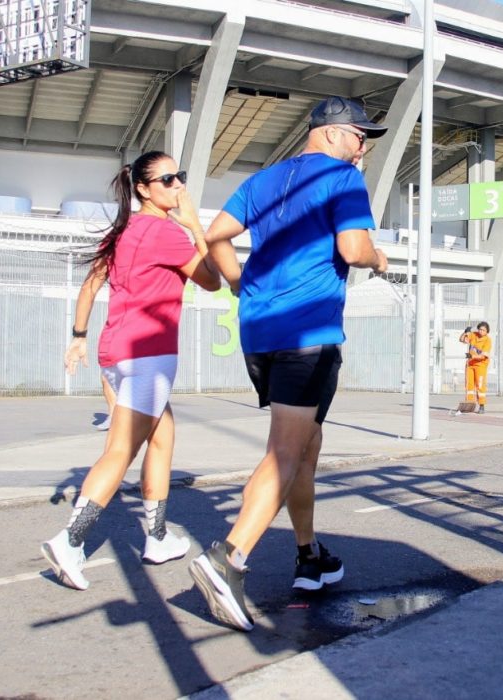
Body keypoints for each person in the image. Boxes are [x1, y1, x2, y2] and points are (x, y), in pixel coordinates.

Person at [189, 96, 389, 631]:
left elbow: (215, 236)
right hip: (308, 332)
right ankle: (227, 559)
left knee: (307, 443)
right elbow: (351, 249)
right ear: (328, 133)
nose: (363, 144)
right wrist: (379, 256)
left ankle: (308, 555)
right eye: (357, 134)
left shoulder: (264, 180)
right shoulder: (343, 181)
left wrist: (238, 282)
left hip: (259, 332)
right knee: (286, 450)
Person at [41, 151, 221, 589]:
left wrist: (78, 336)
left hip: (114, 351)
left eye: (179, 176)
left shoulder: (123, 232)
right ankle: (70, 540)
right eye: (167, 179)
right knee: (121, 450)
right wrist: (196, 225)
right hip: (148, 354)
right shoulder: (166, 233)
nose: (177, 185)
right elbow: (214, 280)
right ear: (143, 188)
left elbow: (91, 284)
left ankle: (157, 536)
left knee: (162, 437)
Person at [459, 321, 492, 414]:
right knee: (469, 385)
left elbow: (483, 356)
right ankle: (469, 405)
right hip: (470, 364)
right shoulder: (473, 335)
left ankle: (481, 405)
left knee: (480, 385)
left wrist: (472, 356)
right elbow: (462, 340)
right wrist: (465, 332)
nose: (481, 331)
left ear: (487, 331)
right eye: (480, 329)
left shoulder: (487, 340)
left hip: (481, 365)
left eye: (483, 330)